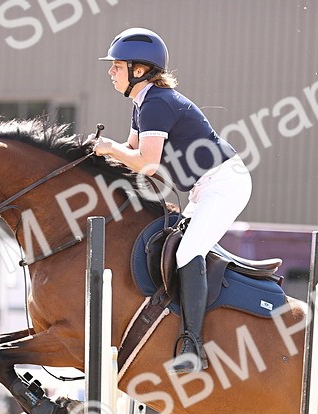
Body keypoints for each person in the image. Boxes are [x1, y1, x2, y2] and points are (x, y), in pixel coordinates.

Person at [93, 27, 251, 374]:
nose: (111, 72)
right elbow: (131, 154)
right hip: (204, 188)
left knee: (187, 252)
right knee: (174, 248)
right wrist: (97, 156)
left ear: (139, 70)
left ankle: (193, 346)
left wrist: (107, 148)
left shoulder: (158, 103)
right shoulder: (143, 104)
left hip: (224, 183)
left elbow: (146, 162)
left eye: (117, 66)